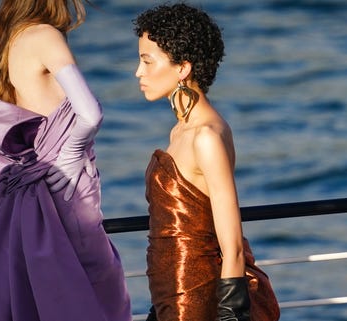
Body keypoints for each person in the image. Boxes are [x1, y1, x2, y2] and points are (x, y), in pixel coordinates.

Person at [0, 0, 131, 320]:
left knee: (54, 285)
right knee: (99, 284)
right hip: (66, 182)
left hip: (38, 181)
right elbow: (90, 111)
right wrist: (71, 154)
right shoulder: (45, 34)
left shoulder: (13, 39)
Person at [134, 3, 280, 321]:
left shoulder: (207, 136)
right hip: (170, 289)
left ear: (182, 68)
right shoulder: (181, 129)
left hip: (196, 295)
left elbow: (232, 245)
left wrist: (231, 313)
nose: (138, 72)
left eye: (147, 61)